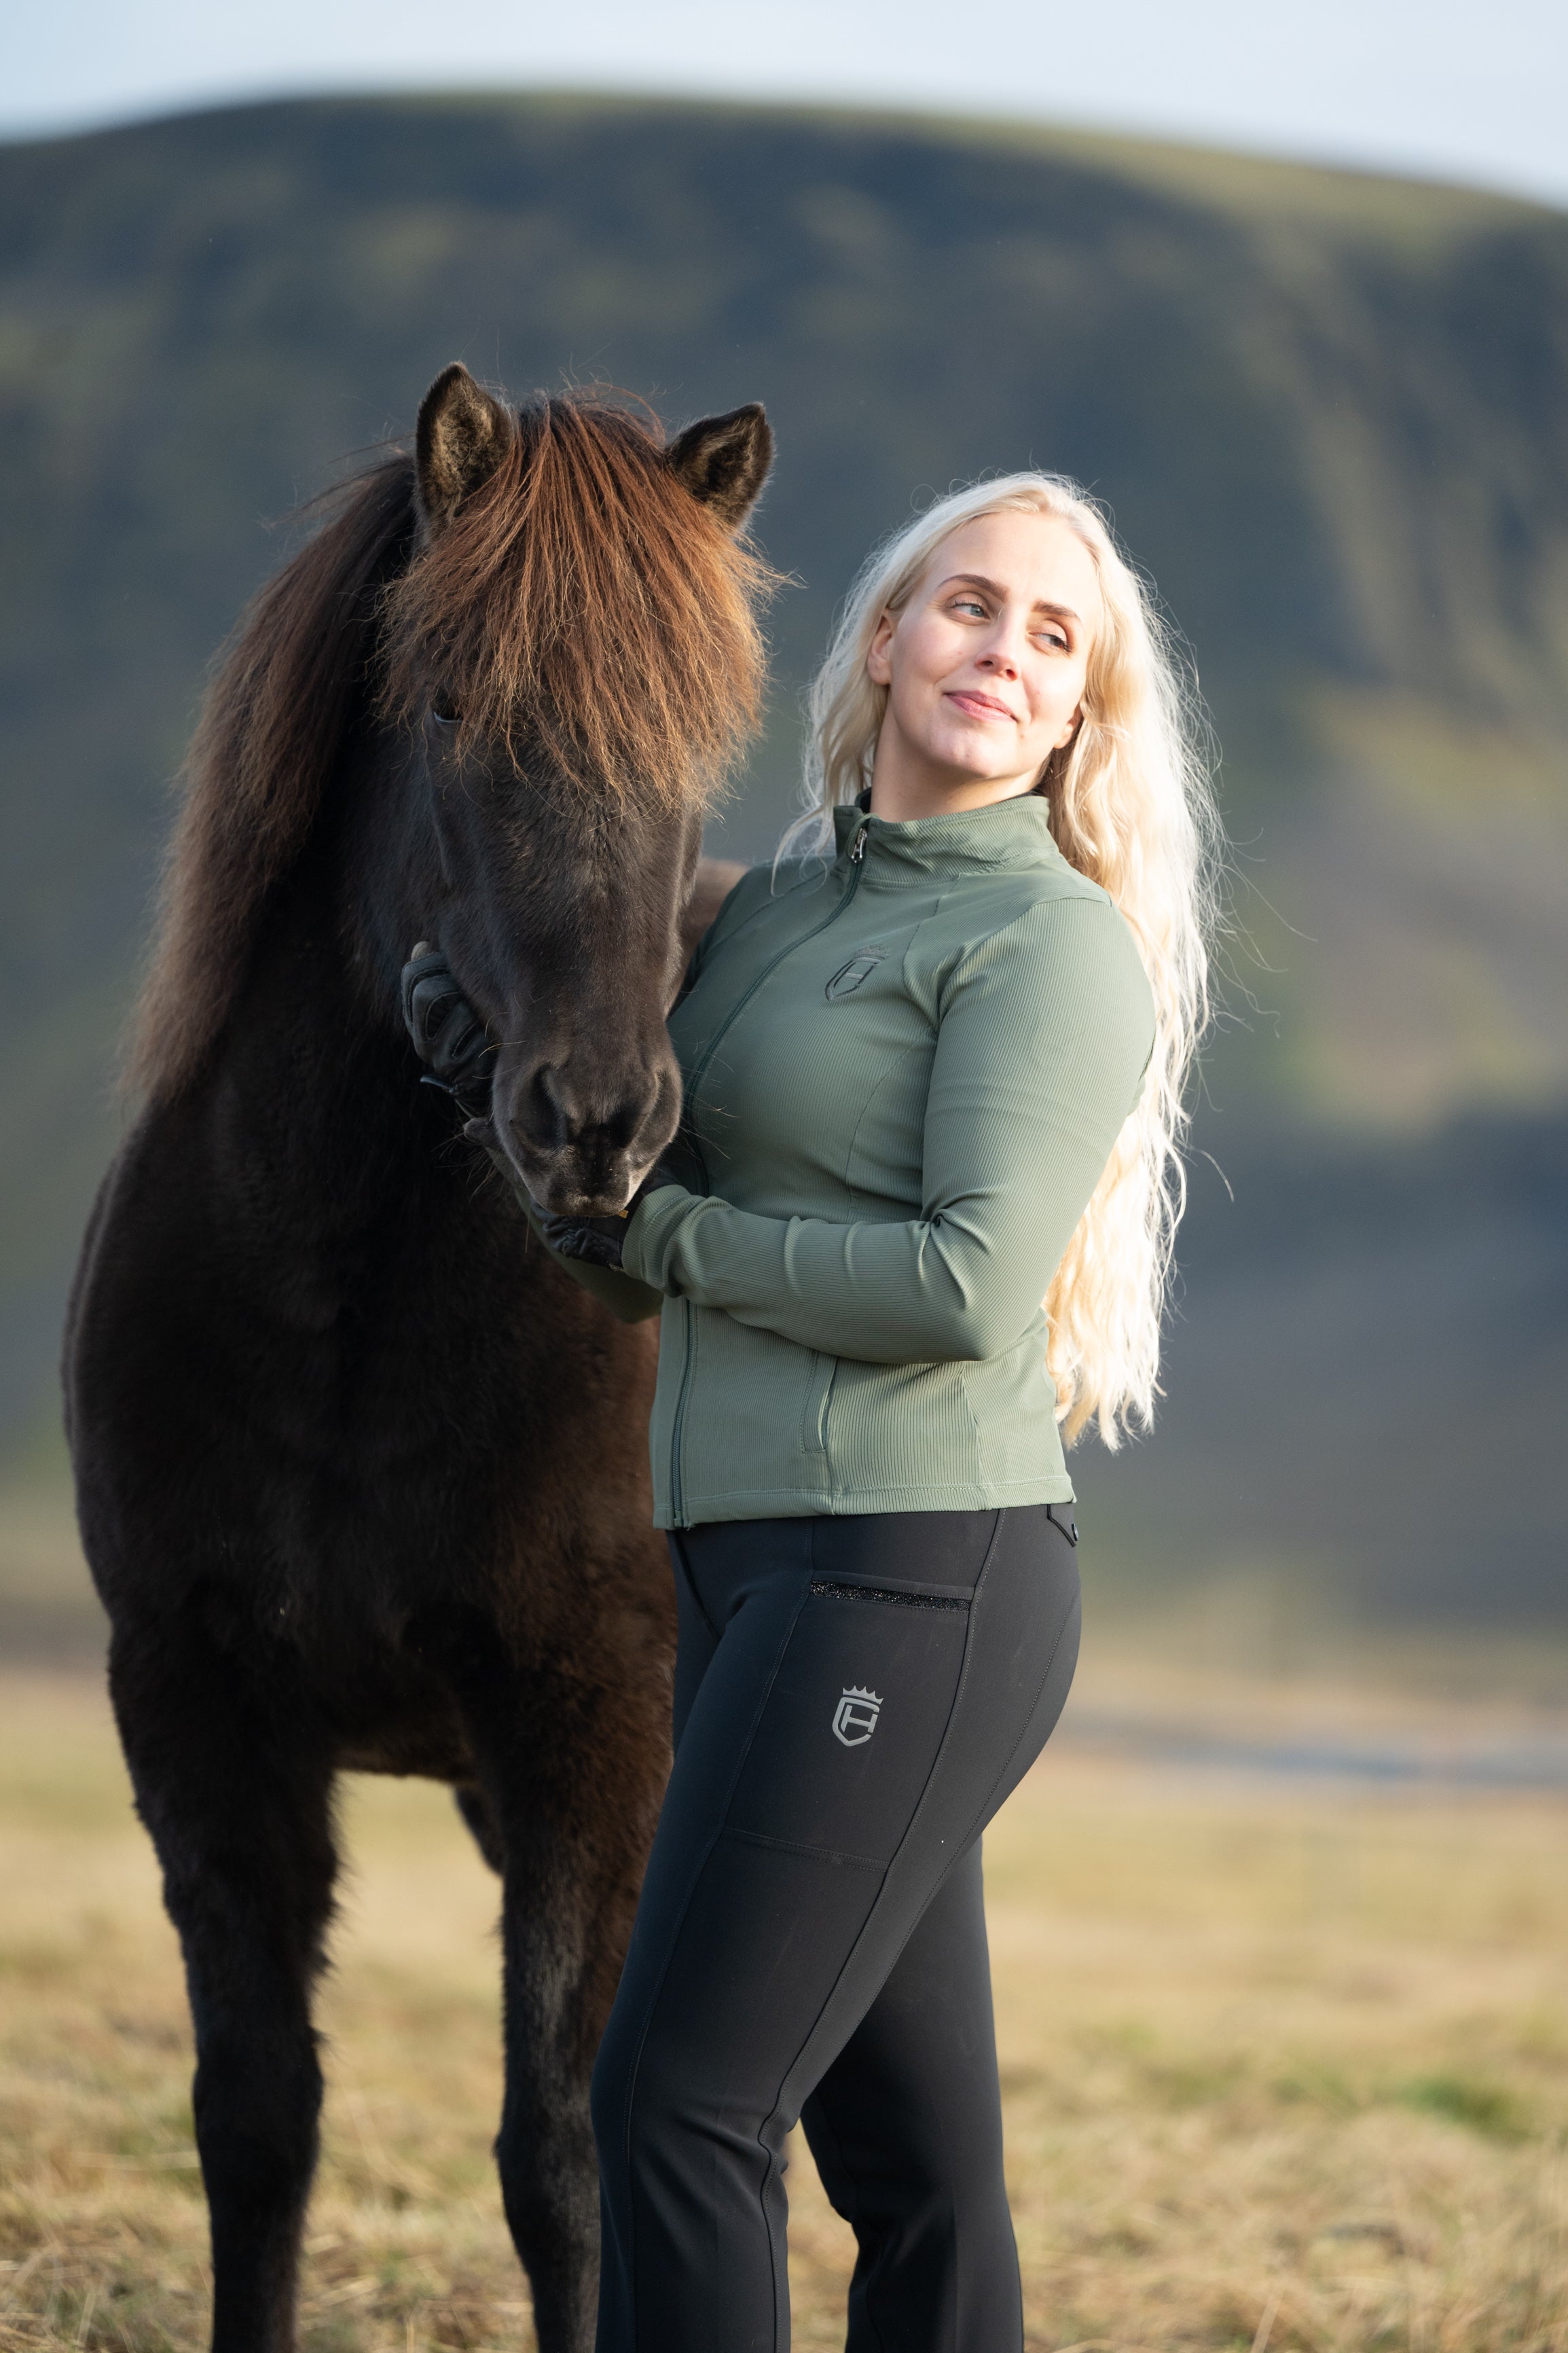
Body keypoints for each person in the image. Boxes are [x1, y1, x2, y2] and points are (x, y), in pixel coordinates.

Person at [405, 471, 1216, 2352]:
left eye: (1054, 636)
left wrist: (665, 1231)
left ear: (1079, 710)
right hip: (748, 1572)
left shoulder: (1045, 945)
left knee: (670, 2104)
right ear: (885, 635)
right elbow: (634, 1277)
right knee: (914, 2174)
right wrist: (510, 1132)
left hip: (908, 1580)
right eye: (970, 604)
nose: (1002, 651)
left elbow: (960, 1286)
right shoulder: (766, 918)